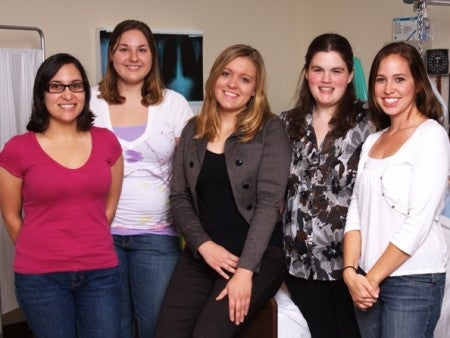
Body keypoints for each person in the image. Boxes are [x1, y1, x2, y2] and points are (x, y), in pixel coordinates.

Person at [154, 44, 291, 337]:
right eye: (226, 73)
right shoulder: (193, 129)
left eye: (245, 79)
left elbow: (269, 204)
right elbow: (179, 197)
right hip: (204, 253)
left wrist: (245, 272)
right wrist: (204, 246)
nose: (232, 84)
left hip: (257, 257)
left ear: (255, 89)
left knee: (208, 333)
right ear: (214, 77)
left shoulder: (271, 129)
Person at [0, 53, 123, 338]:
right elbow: (9, 213)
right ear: (42, 93)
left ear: (85, 93)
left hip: (100, 272)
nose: (67, 94)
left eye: (76, 85)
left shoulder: (107, 142)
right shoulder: (17, 149)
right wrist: (41, 251)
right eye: (56, 86)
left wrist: (87, 241)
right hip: (41, 278)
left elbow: (109, 205)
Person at [90, 19, 193, 338]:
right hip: (100, 235)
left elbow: (193, 169)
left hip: (157, 238)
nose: (133, 57)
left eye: (142, 49)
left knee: (158, 328)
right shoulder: (90, 102)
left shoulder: (173, 104)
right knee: (110, 329)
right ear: (111, 54)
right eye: (124, 48)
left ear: (152, 56)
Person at [343, 41, 450, 338]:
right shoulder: (372, 141)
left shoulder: (431, 136)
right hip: (365, 278)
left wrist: (370, 279)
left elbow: (418, 221)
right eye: (381, 79)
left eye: (399, 79)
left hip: (412, 280)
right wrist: (351, 272)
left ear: (417, 84)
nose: (389, 88)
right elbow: (356, 210)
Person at [280, 33, 375, 338]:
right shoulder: (285, 124)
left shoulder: (371, 123)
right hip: (299, 265)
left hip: (351, 267)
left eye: (336, 71)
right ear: (307, 72)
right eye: (318, 69)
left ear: (349, 75)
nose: (326, 79)